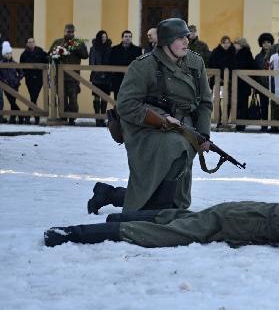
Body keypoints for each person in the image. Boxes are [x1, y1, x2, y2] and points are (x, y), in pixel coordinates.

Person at [46, 165, 279, 254]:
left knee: (180, 218)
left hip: (242, 215)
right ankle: (73, 234)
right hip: (236, 221)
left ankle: (119, 215)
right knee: (167, 233)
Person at [86, 18, 213, 215]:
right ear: (165, 42)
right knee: (175, 147)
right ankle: (164, 210)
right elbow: (126, 105)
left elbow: (205, 102)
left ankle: (112, 195)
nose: (186, 42)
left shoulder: (196, 62)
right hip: (145, 126)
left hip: (185, 126)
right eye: (180, 38)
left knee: (177, 158)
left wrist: (203, 133)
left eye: (186, 36)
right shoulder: (144, 65)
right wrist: (162, 120)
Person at [48, 23, 88, 124]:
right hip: (59, 76)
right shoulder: (58, 42)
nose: (70, 34)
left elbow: (85, 55)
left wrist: (76, 47)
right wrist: (56, 54)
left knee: (73, 98)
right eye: (68, 31)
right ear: (64, 31)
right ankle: (63, 117)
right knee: (62, 97)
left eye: (71, 32)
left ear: (74, 32)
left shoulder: (78, 42)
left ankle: (72, 118)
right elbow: (49, 55)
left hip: (73, 76)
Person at [19, 37, 48, 124]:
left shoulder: (40, 51)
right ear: (27, 44)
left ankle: (30, 116)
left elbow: (46, 59)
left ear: (35, 43)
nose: (31, 43)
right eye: (29, 42)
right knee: (33, 98)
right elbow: (22, 67)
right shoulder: (24, 54)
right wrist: (26, 74)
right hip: (29, 79)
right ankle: (35, 117)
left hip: (39, 79)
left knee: (33, 98)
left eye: (33, 42)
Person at [88, 30, 113, 127]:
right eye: (102, 37)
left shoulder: (110, 48)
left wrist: (106, 73)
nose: (104, 39)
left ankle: (102, 118)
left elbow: (111, 61)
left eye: (105, 37)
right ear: (99, 38)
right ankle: (97, 118)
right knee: (97, 96)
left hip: (107, 76)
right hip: (96, 76)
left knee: (105, 97)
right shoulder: (93, 48)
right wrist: (98, 72)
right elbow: (91, 62)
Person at [231, 37, 256, 131]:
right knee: (238, 103)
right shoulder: (236, 52)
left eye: (236, 43)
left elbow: (245, 65)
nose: (234, 45)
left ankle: (241, 124)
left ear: (240, 44)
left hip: (244, 83)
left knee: (242, 103)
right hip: (238, 82)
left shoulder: (245, 53)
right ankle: (238, 123)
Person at [108, 30, 142, 100]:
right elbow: (111, 62)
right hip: (118, 78)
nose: (128, 38)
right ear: (122, 38)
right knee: (117, 100)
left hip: (131, 79)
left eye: (130, 36)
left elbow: (139, 64)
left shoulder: (137, 50)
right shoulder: (114, 49)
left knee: (130, 100)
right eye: (126, 36)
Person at [254, 32, 275, 127]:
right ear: (261, 44)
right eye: (264, 42)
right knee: (263, 105)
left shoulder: (275, 56)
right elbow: (255, 71)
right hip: (261, 84)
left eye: (268, 42)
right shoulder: (258, 57)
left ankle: (275, 125)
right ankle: (264, 125)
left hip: (274, 84)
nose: (266, 44)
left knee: (275, 105)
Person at [0, 41, 23, 124]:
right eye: (6, 53)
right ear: (3, 54)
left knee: (13, 102)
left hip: (15, 85)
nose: (8, 55)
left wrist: (17, 80)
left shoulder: (14, 63)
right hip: (6, 85)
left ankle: (13, 118)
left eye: (9, 53)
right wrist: (3, 80)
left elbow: (21, 73)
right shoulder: (1, 64)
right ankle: (20, 116)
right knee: (12, 102)